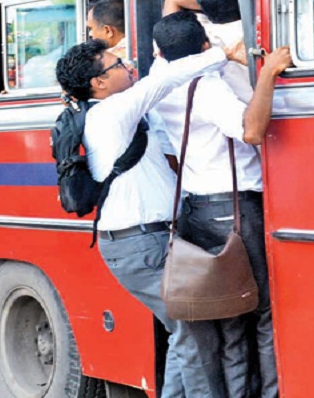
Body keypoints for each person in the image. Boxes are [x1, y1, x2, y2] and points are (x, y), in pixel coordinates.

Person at [55, 39, 230, 397]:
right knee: (192, 334)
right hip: (140, 245)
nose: (128, 67)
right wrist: (224, 53)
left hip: (145, 241)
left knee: (185, 333)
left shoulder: (120, 116)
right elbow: (161, 82)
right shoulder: (111, 113)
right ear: (98, 84)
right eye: (117, 64)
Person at [152, 11, 291, 398]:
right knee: (261, 309)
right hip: (234, 206)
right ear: (203, 46)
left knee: (230, 312)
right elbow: (250, 131)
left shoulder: (159, 82)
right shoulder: (207, 86)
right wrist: (267, 74)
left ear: (160, 52)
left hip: (197, 205)